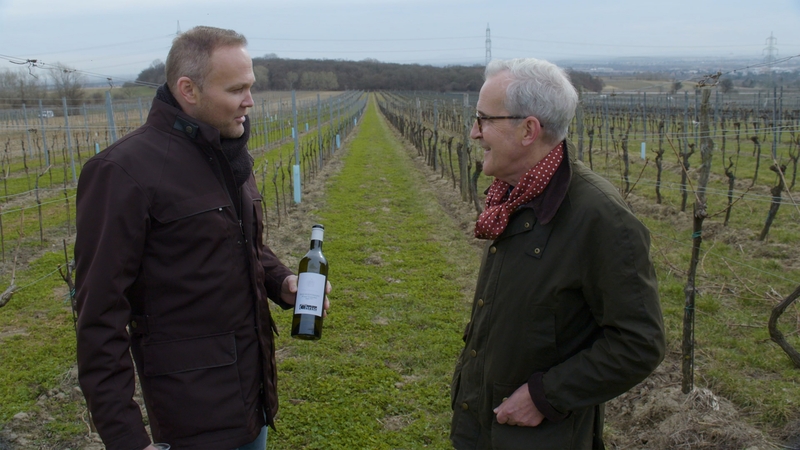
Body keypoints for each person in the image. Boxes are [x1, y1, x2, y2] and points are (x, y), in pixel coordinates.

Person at [74, 26, 329, 450]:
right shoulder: (123, 172)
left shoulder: (228, 152)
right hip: (191, 415)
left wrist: (281, 281)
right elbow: (99, 317)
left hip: (252, 398)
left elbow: (241, 241)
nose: (250, 101)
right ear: (188, 90)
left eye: (250, 87)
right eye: (236, 89)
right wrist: (126, 439)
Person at [449, 58, 665, 449]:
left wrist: (545, 395)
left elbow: (639, 343)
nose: (474, 132)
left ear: (528, 130)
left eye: (484, 120)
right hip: (484, 425)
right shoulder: (513, 198)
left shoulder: (600, 218)